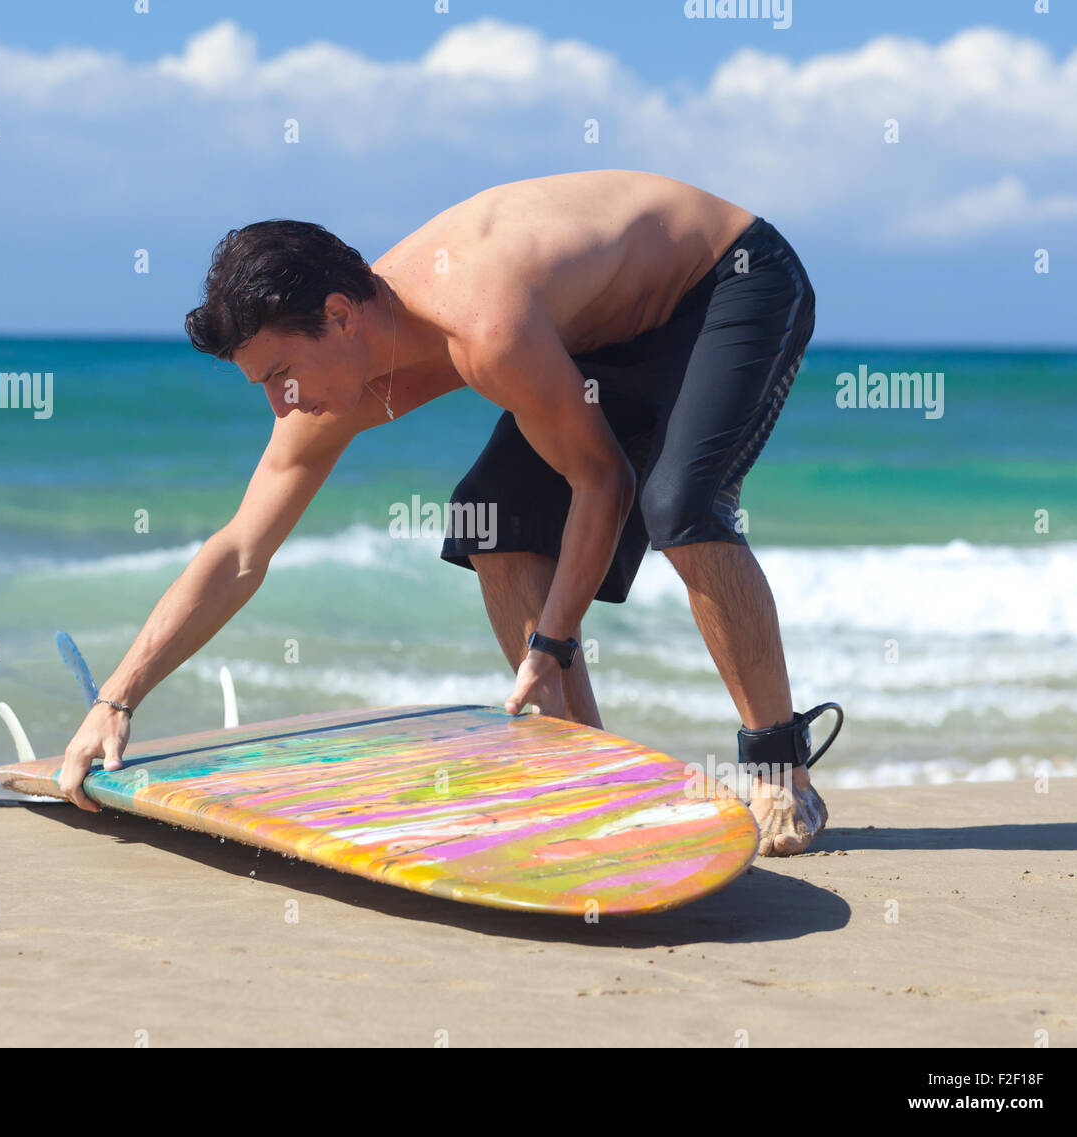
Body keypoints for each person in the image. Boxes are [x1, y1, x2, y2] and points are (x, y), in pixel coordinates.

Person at [58, 169, 840, 856]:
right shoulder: (328, 388)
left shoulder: (482, 321)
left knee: (680, 502)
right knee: (488, 516)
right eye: (261, 383)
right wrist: (115, 699)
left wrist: (552, 639)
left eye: (282, 373)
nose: (279, 403)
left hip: (728, 280)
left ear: (340, 315)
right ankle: (588, 763)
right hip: (599, 332)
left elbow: (604, 481)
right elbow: (240, 551)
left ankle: (779, 770)